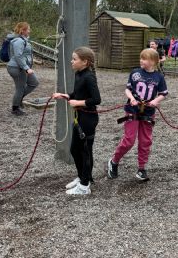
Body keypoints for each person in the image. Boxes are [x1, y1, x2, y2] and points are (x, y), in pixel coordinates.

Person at [107, 48, 168, 182]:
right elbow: (128, 89)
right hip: (132, 110)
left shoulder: (159, 77)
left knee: (145, 141)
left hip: (148, 112)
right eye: (141, 58)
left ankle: (141, 168)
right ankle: (114, 161)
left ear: (153, 61)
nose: (141, 61)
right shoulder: (135, 73)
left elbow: (163, 93)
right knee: (129, 140)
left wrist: (155, 101)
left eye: (144, 59)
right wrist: (131, 98)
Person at [52, 47, 101, 195]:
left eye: (74, 59)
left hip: (88, 119)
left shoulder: (89, 77)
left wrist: (78, 103)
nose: (71, 61)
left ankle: (85, 186)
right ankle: (82, 177)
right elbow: (78, 93)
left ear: (84, 62)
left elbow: (96, 99)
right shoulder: (79, 74)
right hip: (79, 117)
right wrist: (66, 96)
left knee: (85, 151)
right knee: (74, 149)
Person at [6, 22, 39, 116]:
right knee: (20, 88)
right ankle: (15, 108)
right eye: (28, 29)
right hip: (17, 68)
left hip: (22, 67)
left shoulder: (23, 40)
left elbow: (24, 54)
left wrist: (31, 61)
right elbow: (18, 56)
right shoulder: (19, 41)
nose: (29, 31)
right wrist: (26, 68)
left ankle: (19, 99)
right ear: (23, 30)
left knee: (34, 82)